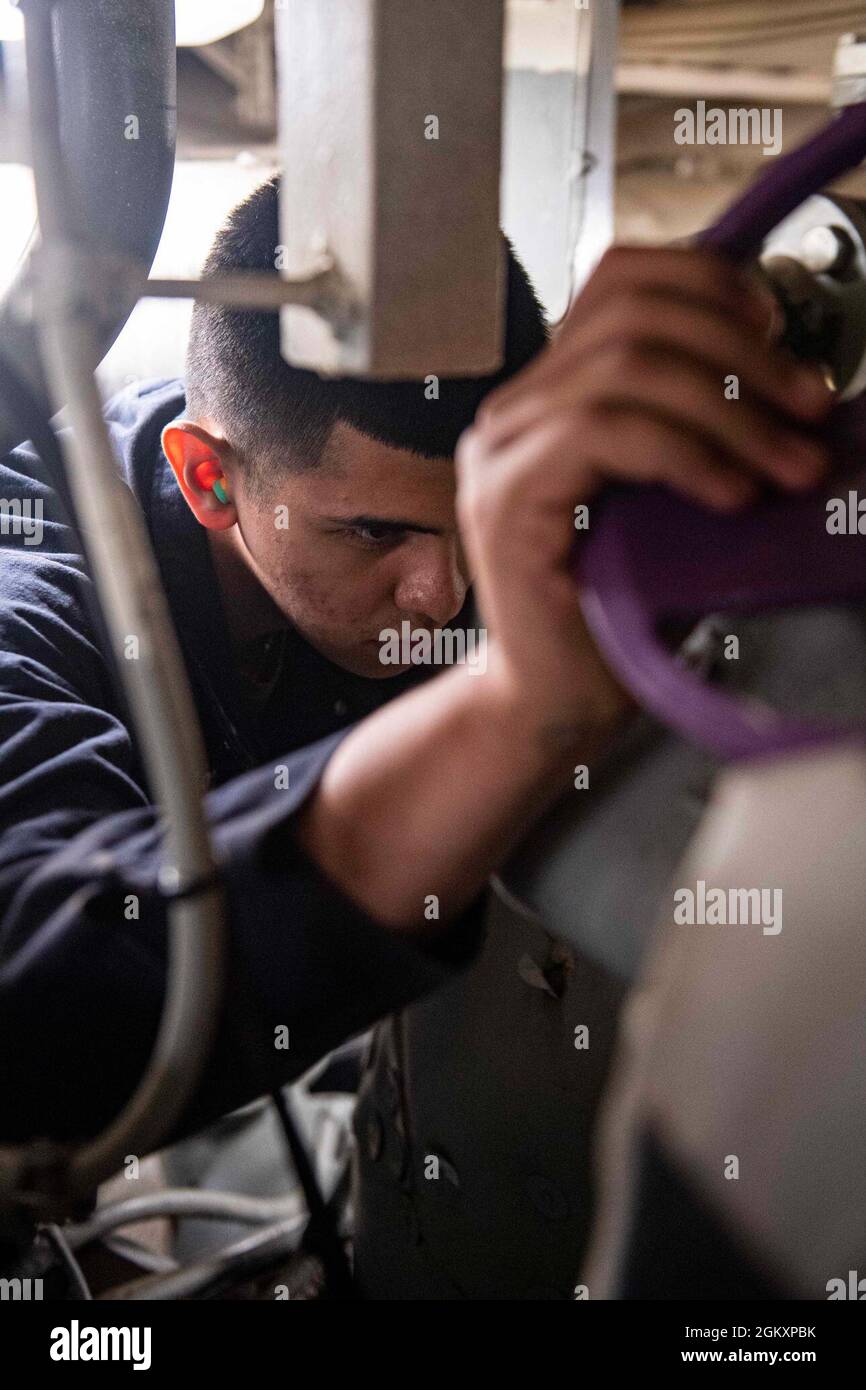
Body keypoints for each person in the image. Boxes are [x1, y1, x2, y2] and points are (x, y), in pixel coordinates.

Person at [0, 176, 832, 1178]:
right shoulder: (38, 586)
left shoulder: (536, 510)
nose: (439, 598)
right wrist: (517, 703)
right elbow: (32, 1005)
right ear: (208, 476)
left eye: (470, 523)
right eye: (372, 533)